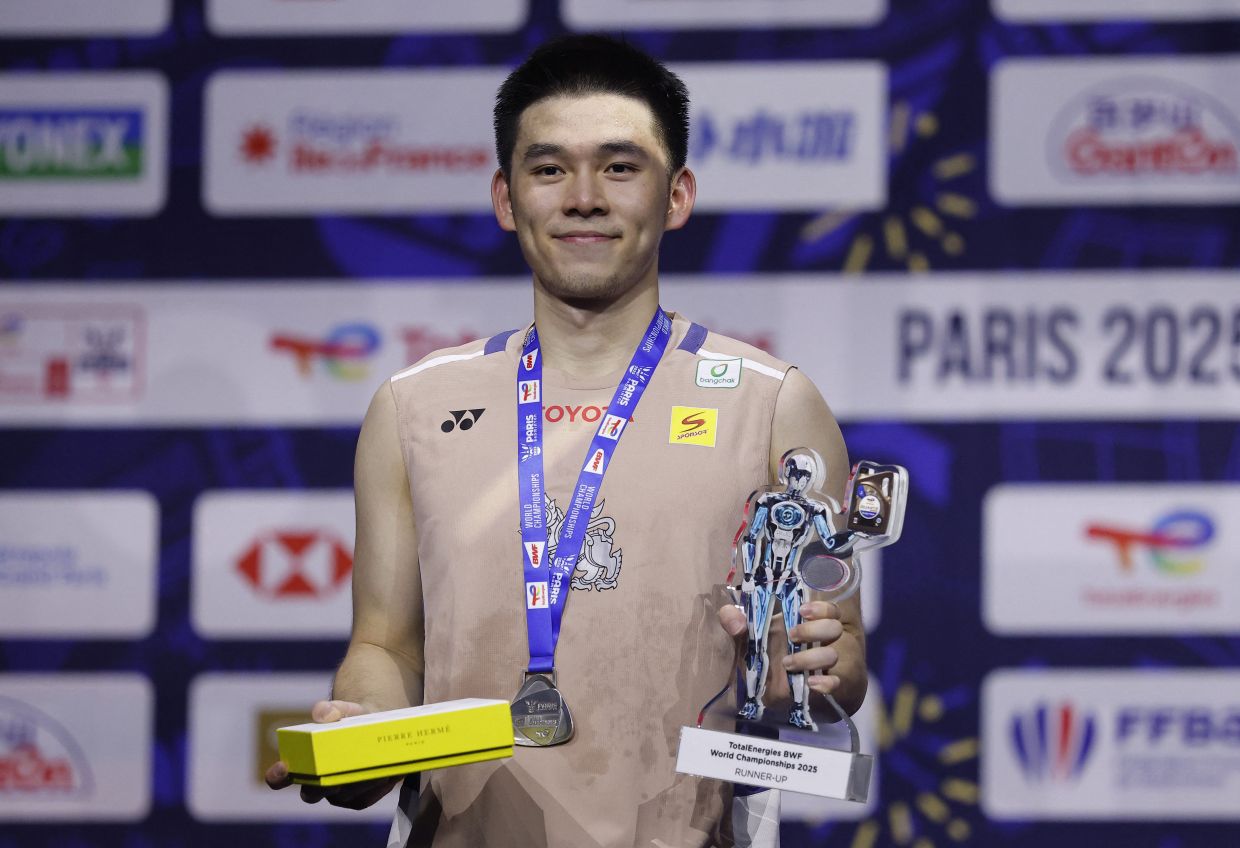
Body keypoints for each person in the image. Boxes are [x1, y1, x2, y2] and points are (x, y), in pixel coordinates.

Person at [265, 34, 867, 848]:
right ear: (506, 198)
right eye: (549, 169)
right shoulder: (413, 406)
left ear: (677, 196)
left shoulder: (774, 405)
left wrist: (816, 669)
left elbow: (838, 665)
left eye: (620, 167)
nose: (584, 198)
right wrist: (362, 733)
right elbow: (386, 645)